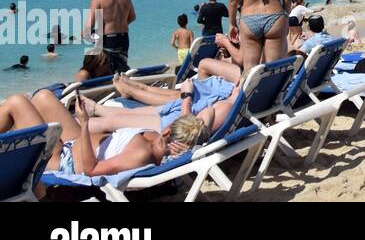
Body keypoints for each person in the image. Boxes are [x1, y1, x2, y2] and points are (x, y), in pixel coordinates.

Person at [0, 90, 211, 179]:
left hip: (65, 160)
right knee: (44, 97)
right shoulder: (155, 138)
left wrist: (84, 123)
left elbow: (92, 170)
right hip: (74, 144)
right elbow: (196, 122)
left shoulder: (141, 153)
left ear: (167, 132)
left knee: (17, 103)